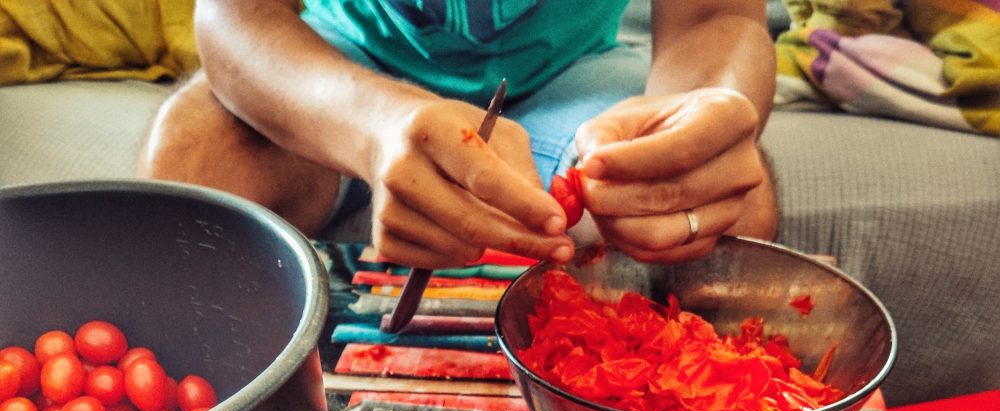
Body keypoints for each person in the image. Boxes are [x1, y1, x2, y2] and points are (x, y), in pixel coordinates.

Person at [139, 0, 778, 268]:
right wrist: (373, 129)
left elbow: (714, 15)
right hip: (344, 64)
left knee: (730, 208)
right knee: (192, 169)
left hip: (569, 70)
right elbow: (236, 15)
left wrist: (694, 121)